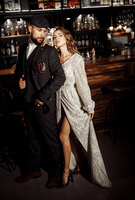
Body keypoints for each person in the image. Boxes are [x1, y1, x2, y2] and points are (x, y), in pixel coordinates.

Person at [52, 26, 112, 188]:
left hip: (74, 102)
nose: (57, 38)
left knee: (63, 137)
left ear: (66, 38)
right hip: (59, 101)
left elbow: (82, 85)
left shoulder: (76, 58)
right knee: (72, 137)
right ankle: (78, 164)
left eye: (60, 35)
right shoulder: (55, 58)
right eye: (54, 36)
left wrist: (89, 106)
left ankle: (65, 172)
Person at [14, 16, 66, 188]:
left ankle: (56, 174)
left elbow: (60, 77)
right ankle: (34, 168)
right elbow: (19, 73)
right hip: (27, 103)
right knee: (33, 139)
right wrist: (19, 83)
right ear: (30, 29)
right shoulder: (22, 49)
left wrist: (42, 96)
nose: (42, 34)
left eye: (45, 31)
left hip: (43, 106)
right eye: (39, 30)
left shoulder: (49, 51)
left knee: (50, 141)